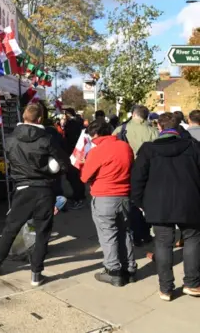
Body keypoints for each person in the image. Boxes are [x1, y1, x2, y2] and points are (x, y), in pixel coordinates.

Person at [0, 103, 70, 286]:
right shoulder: (48, 139)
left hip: (22, 188)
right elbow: (64, 164)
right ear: (40, 119)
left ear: (24, 117)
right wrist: (52, 171)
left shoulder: (10, 139)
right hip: (44, 189)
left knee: (11, 228)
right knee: (43, 232)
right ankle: (36, 274)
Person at [131, 112, 200, 301]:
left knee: (163, 243)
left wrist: (139, 202)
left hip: (158, 204)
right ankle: (192, 284)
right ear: (179, 127)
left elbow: (137, 179)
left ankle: (166, 288)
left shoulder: (147, 149)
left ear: (159, 128)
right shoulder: (194, 147)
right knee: (192, 239)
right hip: (190, 202)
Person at [80, 120, 136, 287]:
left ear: (95, 135)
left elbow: (84, 177)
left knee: (108, 234)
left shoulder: (97, 151)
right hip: (124, 195)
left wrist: (84, 163)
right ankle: (130, 269)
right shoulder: (125, 147)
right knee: (125, 232)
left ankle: (113, 271)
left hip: (104, 196)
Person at [113, 105, 158, 246]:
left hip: (127, 170)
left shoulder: (121, 129)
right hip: (148, 171)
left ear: (133, 114)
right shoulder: (153, 131)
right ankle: (146, 232)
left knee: (131, 203)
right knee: (146, 202)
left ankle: (135, 234)